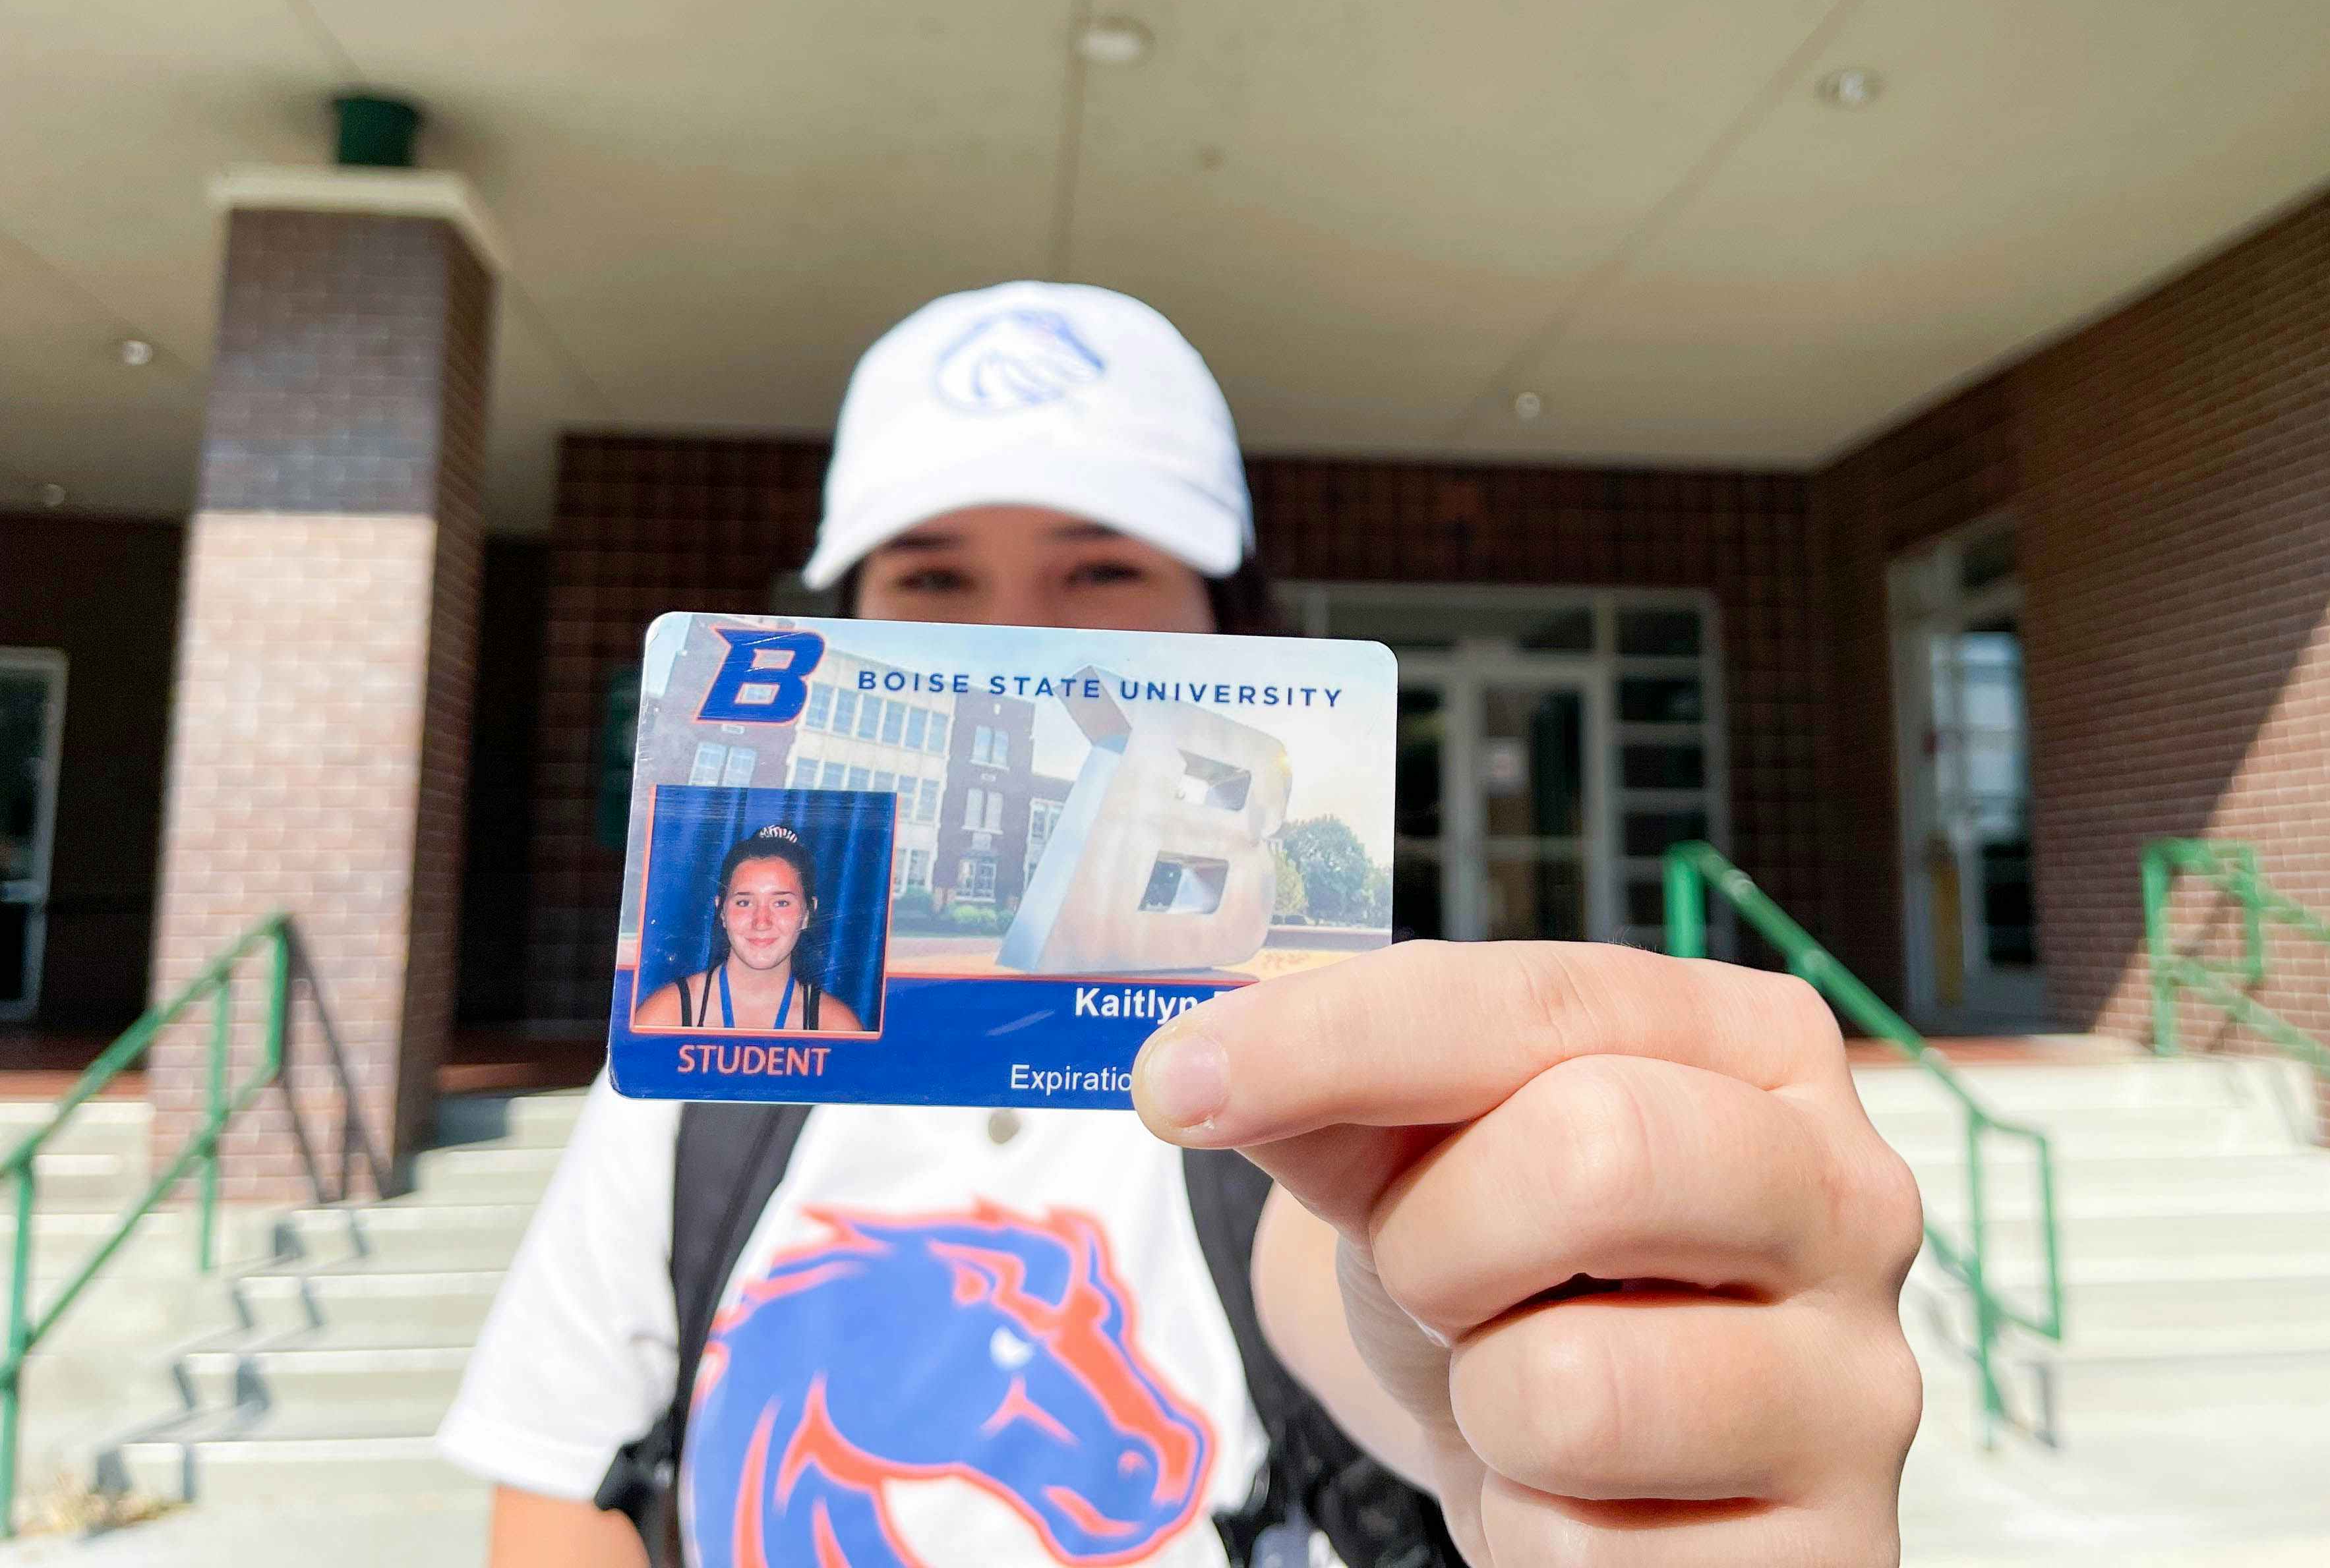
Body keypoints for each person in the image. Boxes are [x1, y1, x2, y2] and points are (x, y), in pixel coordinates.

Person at [438, 282, 1925, 1568]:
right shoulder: (707, 1077)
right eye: (931, 578)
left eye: (1102, 570)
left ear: (1234, 628)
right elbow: (564, 1483)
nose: (1013, 637)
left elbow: (1360, 1294)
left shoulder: (1313, 1090)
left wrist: (1533, 1375)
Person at [630, 825, 838, 1034]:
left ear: (808, 914)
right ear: (721, 911)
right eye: (744, 903)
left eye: (781, 903)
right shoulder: (663, 1018)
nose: (761, 922)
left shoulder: (836, 1027)